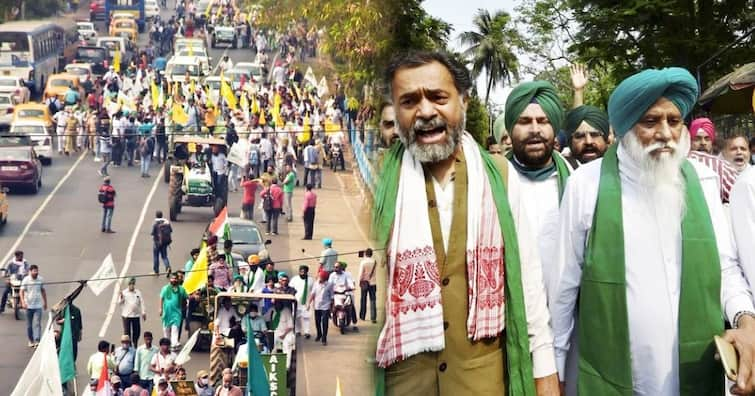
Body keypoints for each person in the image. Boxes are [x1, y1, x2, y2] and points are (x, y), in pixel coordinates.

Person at [549, 67, 755, 396]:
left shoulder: (703, 180)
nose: (665, 133)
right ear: (627, 125)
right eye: (650, 121)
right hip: (612, 372)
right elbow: (563, 287)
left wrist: (746, 321)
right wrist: (553, 372)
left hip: (697, 368)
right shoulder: (586, 185)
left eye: (674, 121)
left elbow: (725, 266)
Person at [374, 51, 557, 395]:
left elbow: (528, 287)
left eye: (438, 97)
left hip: (480, 380)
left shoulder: (500, 177)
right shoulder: (380, 181)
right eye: (410, 101)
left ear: (463, 102)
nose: (426, 112)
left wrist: (545, 376)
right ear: (396, 111)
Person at [20, 264, 46, 347]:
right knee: (29, 325)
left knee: (37, 323)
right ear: (30, 271)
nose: (36, 273)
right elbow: (21, 292)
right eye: (34, 271)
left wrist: (45, 302)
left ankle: (37, 340)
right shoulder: (26, 280)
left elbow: (43, 291)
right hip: (28, 306)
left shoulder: (40, 279)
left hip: (38, 305)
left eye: (37, 271)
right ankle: (31, 340)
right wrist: (23, 302)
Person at [160, 273, 187, 349]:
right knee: (166, 330)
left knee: (175, 329)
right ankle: (167, 343)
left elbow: (187, 297)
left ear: (178, 280)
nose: (174, 280)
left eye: (175, 278)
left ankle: (174, 343)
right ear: (170, 279)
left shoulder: (181, 289)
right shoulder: (165, 288)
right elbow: (161, 298)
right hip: (167, 313)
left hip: (176, 313)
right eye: (172, 278)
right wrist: (161, 309)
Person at [307, 271, 333, 345]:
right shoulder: (316, 283)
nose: (320, 278)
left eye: (321, 277)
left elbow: (331, 296)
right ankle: (319, 334)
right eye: (319, 277)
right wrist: (309, 303)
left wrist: (331, 307)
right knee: (317, 321)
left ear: (325, 278)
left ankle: (324, 338)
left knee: (325, 322)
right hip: (317, 306)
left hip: (326, 306)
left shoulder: (330, 285)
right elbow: (312, 294)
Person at [118, 277, 146, 346]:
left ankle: (135, 343)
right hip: (126, 315)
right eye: (130, 284)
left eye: (133, 284)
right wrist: (122, 298)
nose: (131, 285)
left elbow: (142, 302)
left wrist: (143, 312)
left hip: (136, 315)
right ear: (128, 284)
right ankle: (129, 345)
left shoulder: (138, 292)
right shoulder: (124, 293)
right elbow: (119, 303)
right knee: (127, 332)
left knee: (137, 331)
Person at [289, 265, 314, 338]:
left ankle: (307, 332)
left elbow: (313, 291)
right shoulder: (294, 279)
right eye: (301, 271)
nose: (302, 273)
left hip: (306, 302)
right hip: (296, 302)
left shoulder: (310, 280)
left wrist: (311, 302)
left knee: (306, 318)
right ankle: (298, 331)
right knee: (297, 317)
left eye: (304, 272)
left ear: (307, 272)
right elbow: (290, 289)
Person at [357, 248, 377, 323]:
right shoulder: (374, 261)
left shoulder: (363, 262)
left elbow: (361, 273)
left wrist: (359, 281)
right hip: (373, 283)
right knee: (373, 300)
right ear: (371, 254)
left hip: (364, 282)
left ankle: (362, 316)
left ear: (366, 254)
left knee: (363, 299)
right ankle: (373, 317)